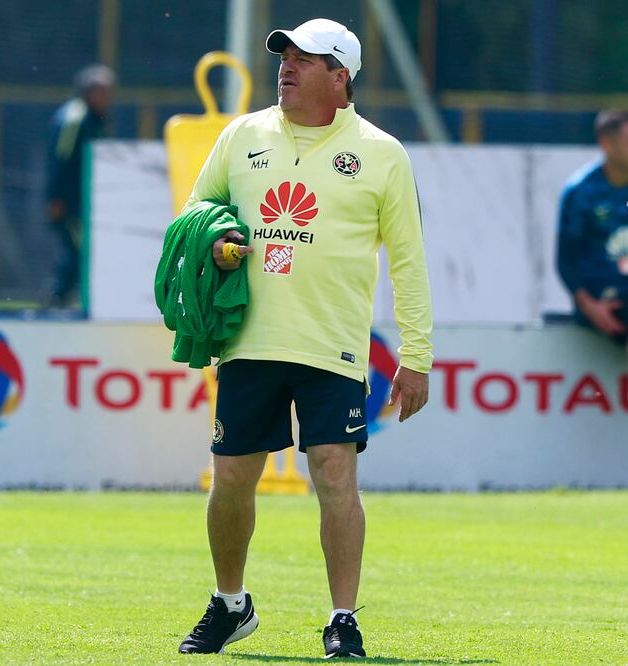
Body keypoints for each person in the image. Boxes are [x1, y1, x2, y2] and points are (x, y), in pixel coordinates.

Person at [175, 18, 433, 658]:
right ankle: (230, 605)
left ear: (340, 76)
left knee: (335, 474)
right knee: (231, 475)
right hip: (249, 342)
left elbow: (408, 260)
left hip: (334, 346)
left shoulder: (382, 152)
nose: (286, 66)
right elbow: (194, 211)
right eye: (284, 56)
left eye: (304, 59)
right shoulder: (243, 135)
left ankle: (342, 619)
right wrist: (217, 238)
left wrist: (417, 357)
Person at [44, 64, 116, 309]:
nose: (107, 98)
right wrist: (56, 198)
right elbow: (61, 157)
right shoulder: (75, 118)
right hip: (70, 201)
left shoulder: (93, 119)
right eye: (102, 92)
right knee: (79, 249)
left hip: (85, 201)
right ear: (88, 92)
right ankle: (58, 296)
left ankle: (67, 297)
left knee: (81, 249)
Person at [556, 108, 628, 350]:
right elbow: (566, 260)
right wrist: (591, 308)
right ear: (606, 143)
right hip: (599, 303)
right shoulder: (581, 191)